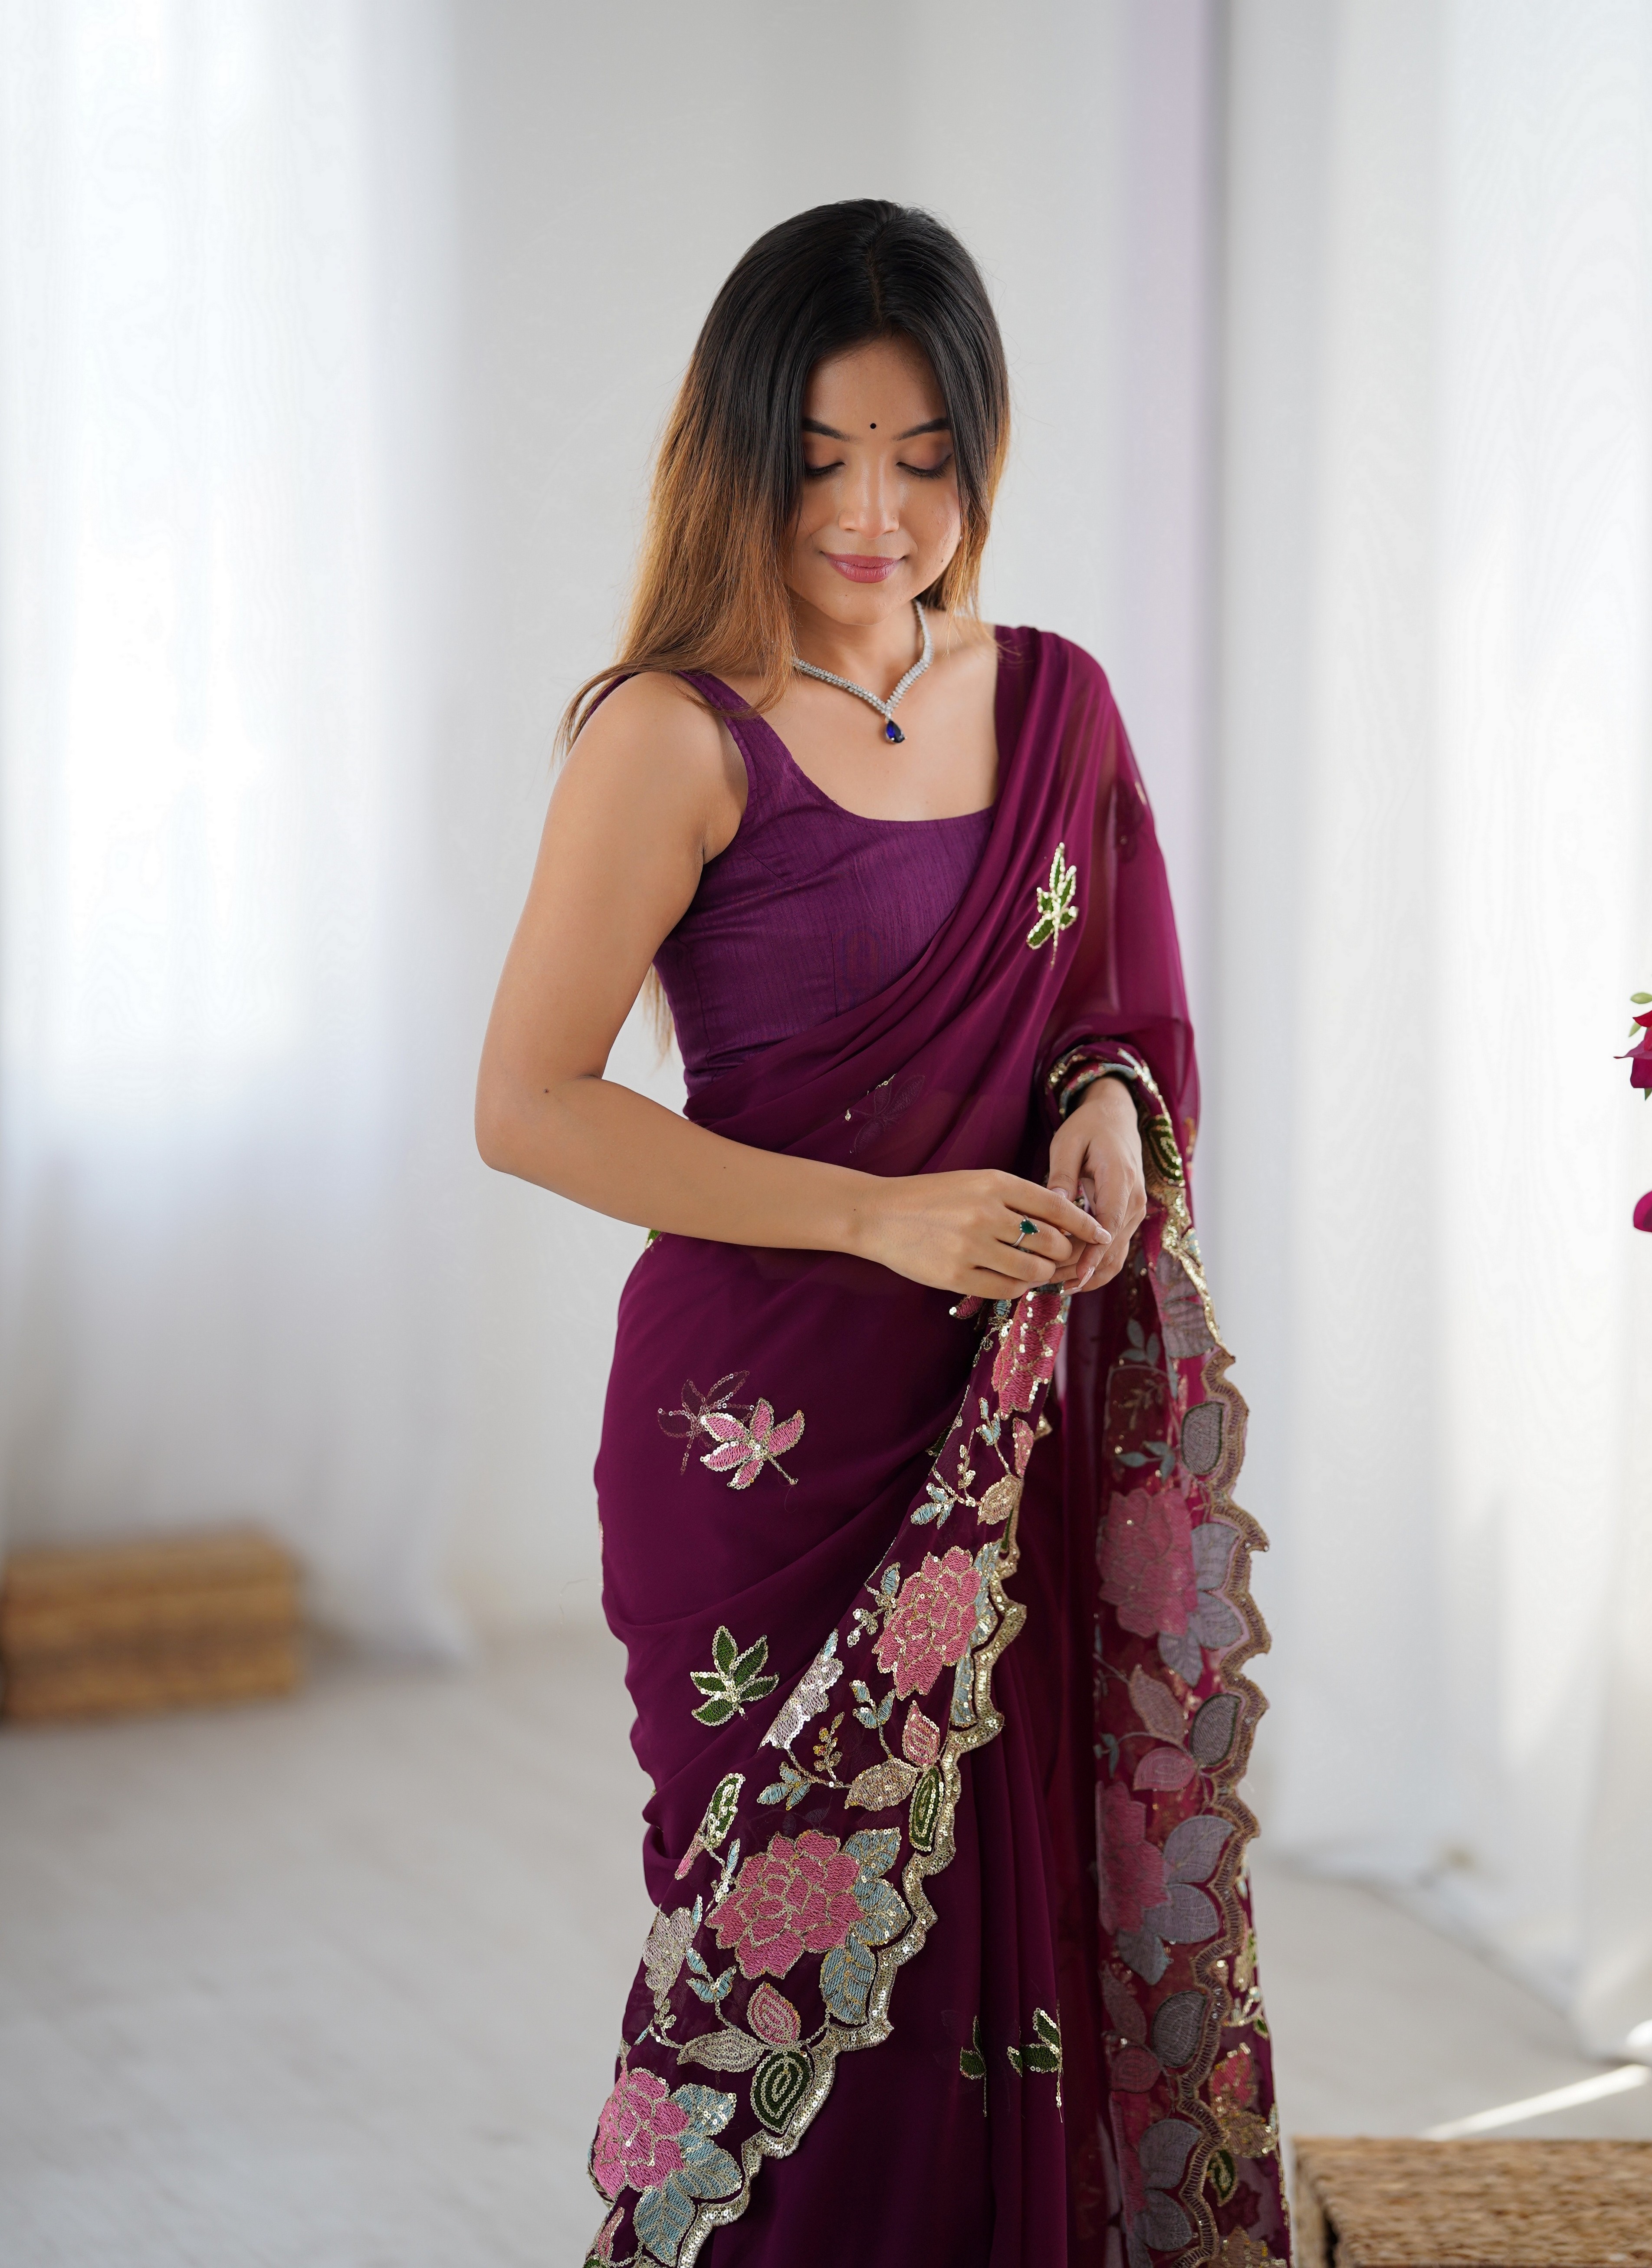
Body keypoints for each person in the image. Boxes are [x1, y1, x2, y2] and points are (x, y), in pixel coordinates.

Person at [476, 200, 1288, 2268]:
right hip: (761, 1445)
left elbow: (1121, 1014)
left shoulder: (1059, 705)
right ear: (738, 450)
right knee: (802, 1992)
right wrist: (875, 1212)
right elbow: (529, 1101)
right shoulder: (670, 731)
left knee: (1020, 1954)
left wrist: (1103, 1107)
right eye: (822, 454)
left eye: (923, 458)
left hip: (1003, 1429)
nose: (872, 512)